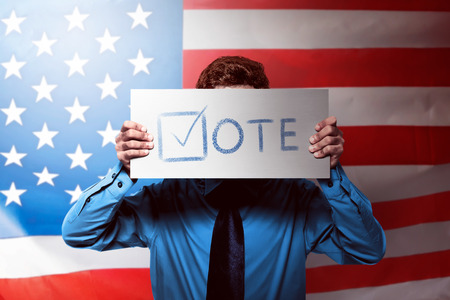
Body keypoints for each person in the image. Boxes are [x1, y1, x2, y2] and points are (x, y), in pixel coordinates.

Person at [62, 56, 385, 300]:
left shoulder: (298, 199)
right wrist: (126, 173)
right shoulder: (163, 200)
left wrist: (328, 173)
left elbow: (367, 250)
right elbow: (79, 234)